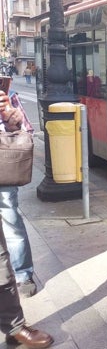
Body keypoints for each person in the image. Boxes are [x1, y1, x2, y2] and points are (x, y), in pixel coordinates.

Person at [0, 90, 53, 348]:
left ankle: (22, 278)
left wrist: (11, 117)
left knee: (9, 229)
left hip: (2, 169)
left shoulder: (5, 92)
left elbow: (21, 126)